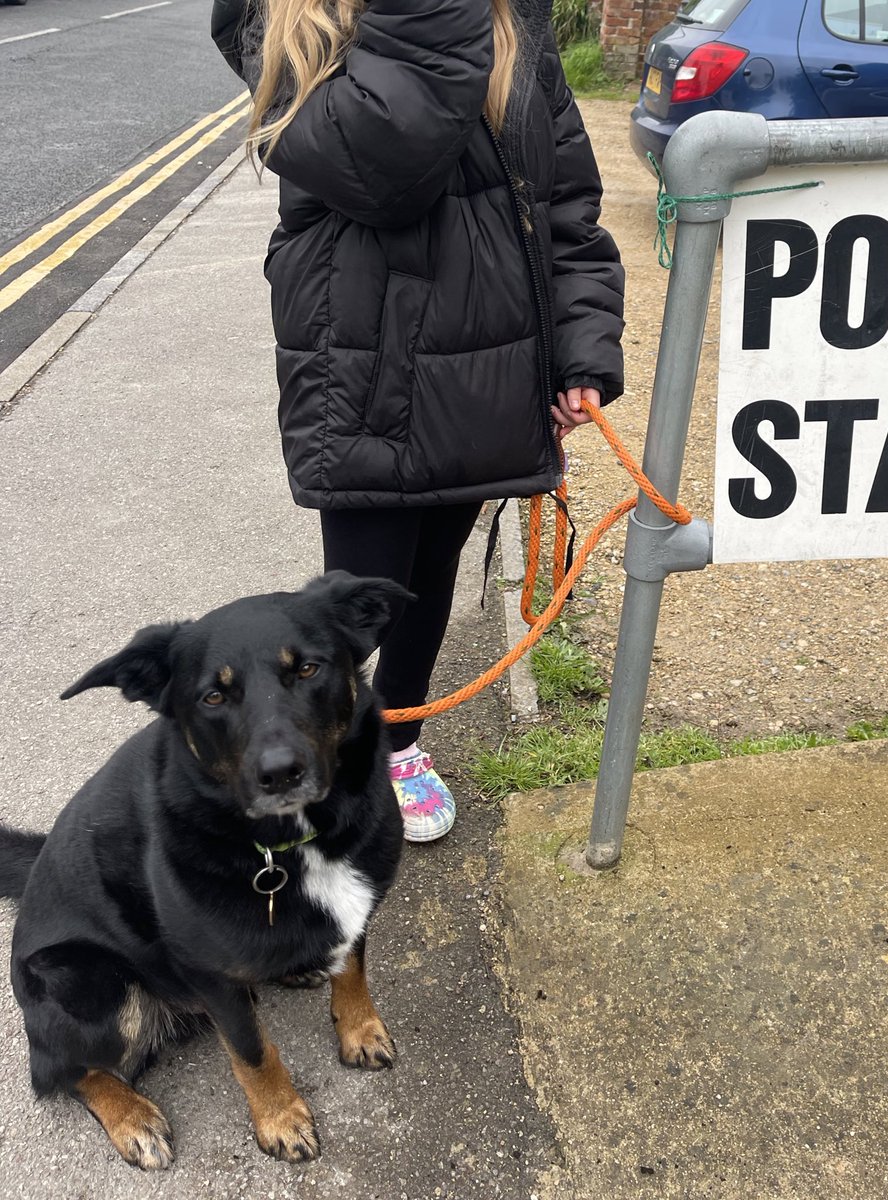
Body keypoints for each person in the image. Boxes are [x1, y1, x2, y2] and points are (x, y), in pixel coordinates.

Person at [210, 0, 626, 842]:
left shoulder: (512, 24)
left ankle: (397, 739)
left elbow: (566, 208)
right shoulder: (297, 25)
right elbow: (386, 165)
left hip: (491, 370)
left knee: (428, 576)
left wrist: (581, 352)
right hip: (368, 373)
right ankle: (304, 758)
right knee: (346, 606)